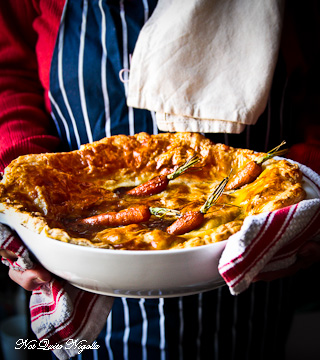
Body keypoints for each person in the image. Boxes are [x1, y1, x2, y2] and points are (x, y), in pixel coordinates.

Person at [1, 1, 320, 359]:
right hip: (71, 254)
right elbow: (7, 69)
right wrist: (22, 172)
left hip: (250, 268)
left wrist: (312, 171)